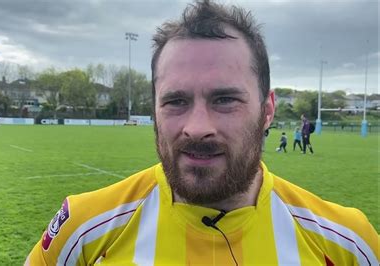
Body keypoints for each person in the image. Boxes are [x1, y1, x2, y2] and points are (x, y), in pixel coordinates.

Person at [26, 1, 378, 265]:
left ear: (267, 109)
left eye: (225, 99)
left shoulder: (347, 242)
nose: (197, 127)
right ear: (154, 110)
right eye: (175, 101)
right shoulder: (82, 230)